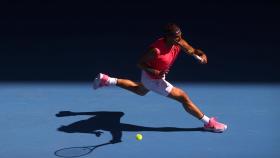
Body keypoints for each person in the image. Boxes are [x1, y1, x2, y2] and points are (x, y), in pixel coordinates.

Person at [93, 23, 227, 133]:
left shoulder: (178, 42)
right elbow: (140, 63)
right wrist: (155, 72)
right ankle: (209, 123)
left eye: (180, 37)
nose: (179, 40)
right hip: (153, 79)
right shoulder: (156, 50)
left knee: (140, 90)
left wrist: (202, 55)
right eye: (176, 38)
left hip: (150, 78)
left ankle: (107, 79)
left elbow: (193, 50)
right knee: (183, 97)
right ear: (167, 37)